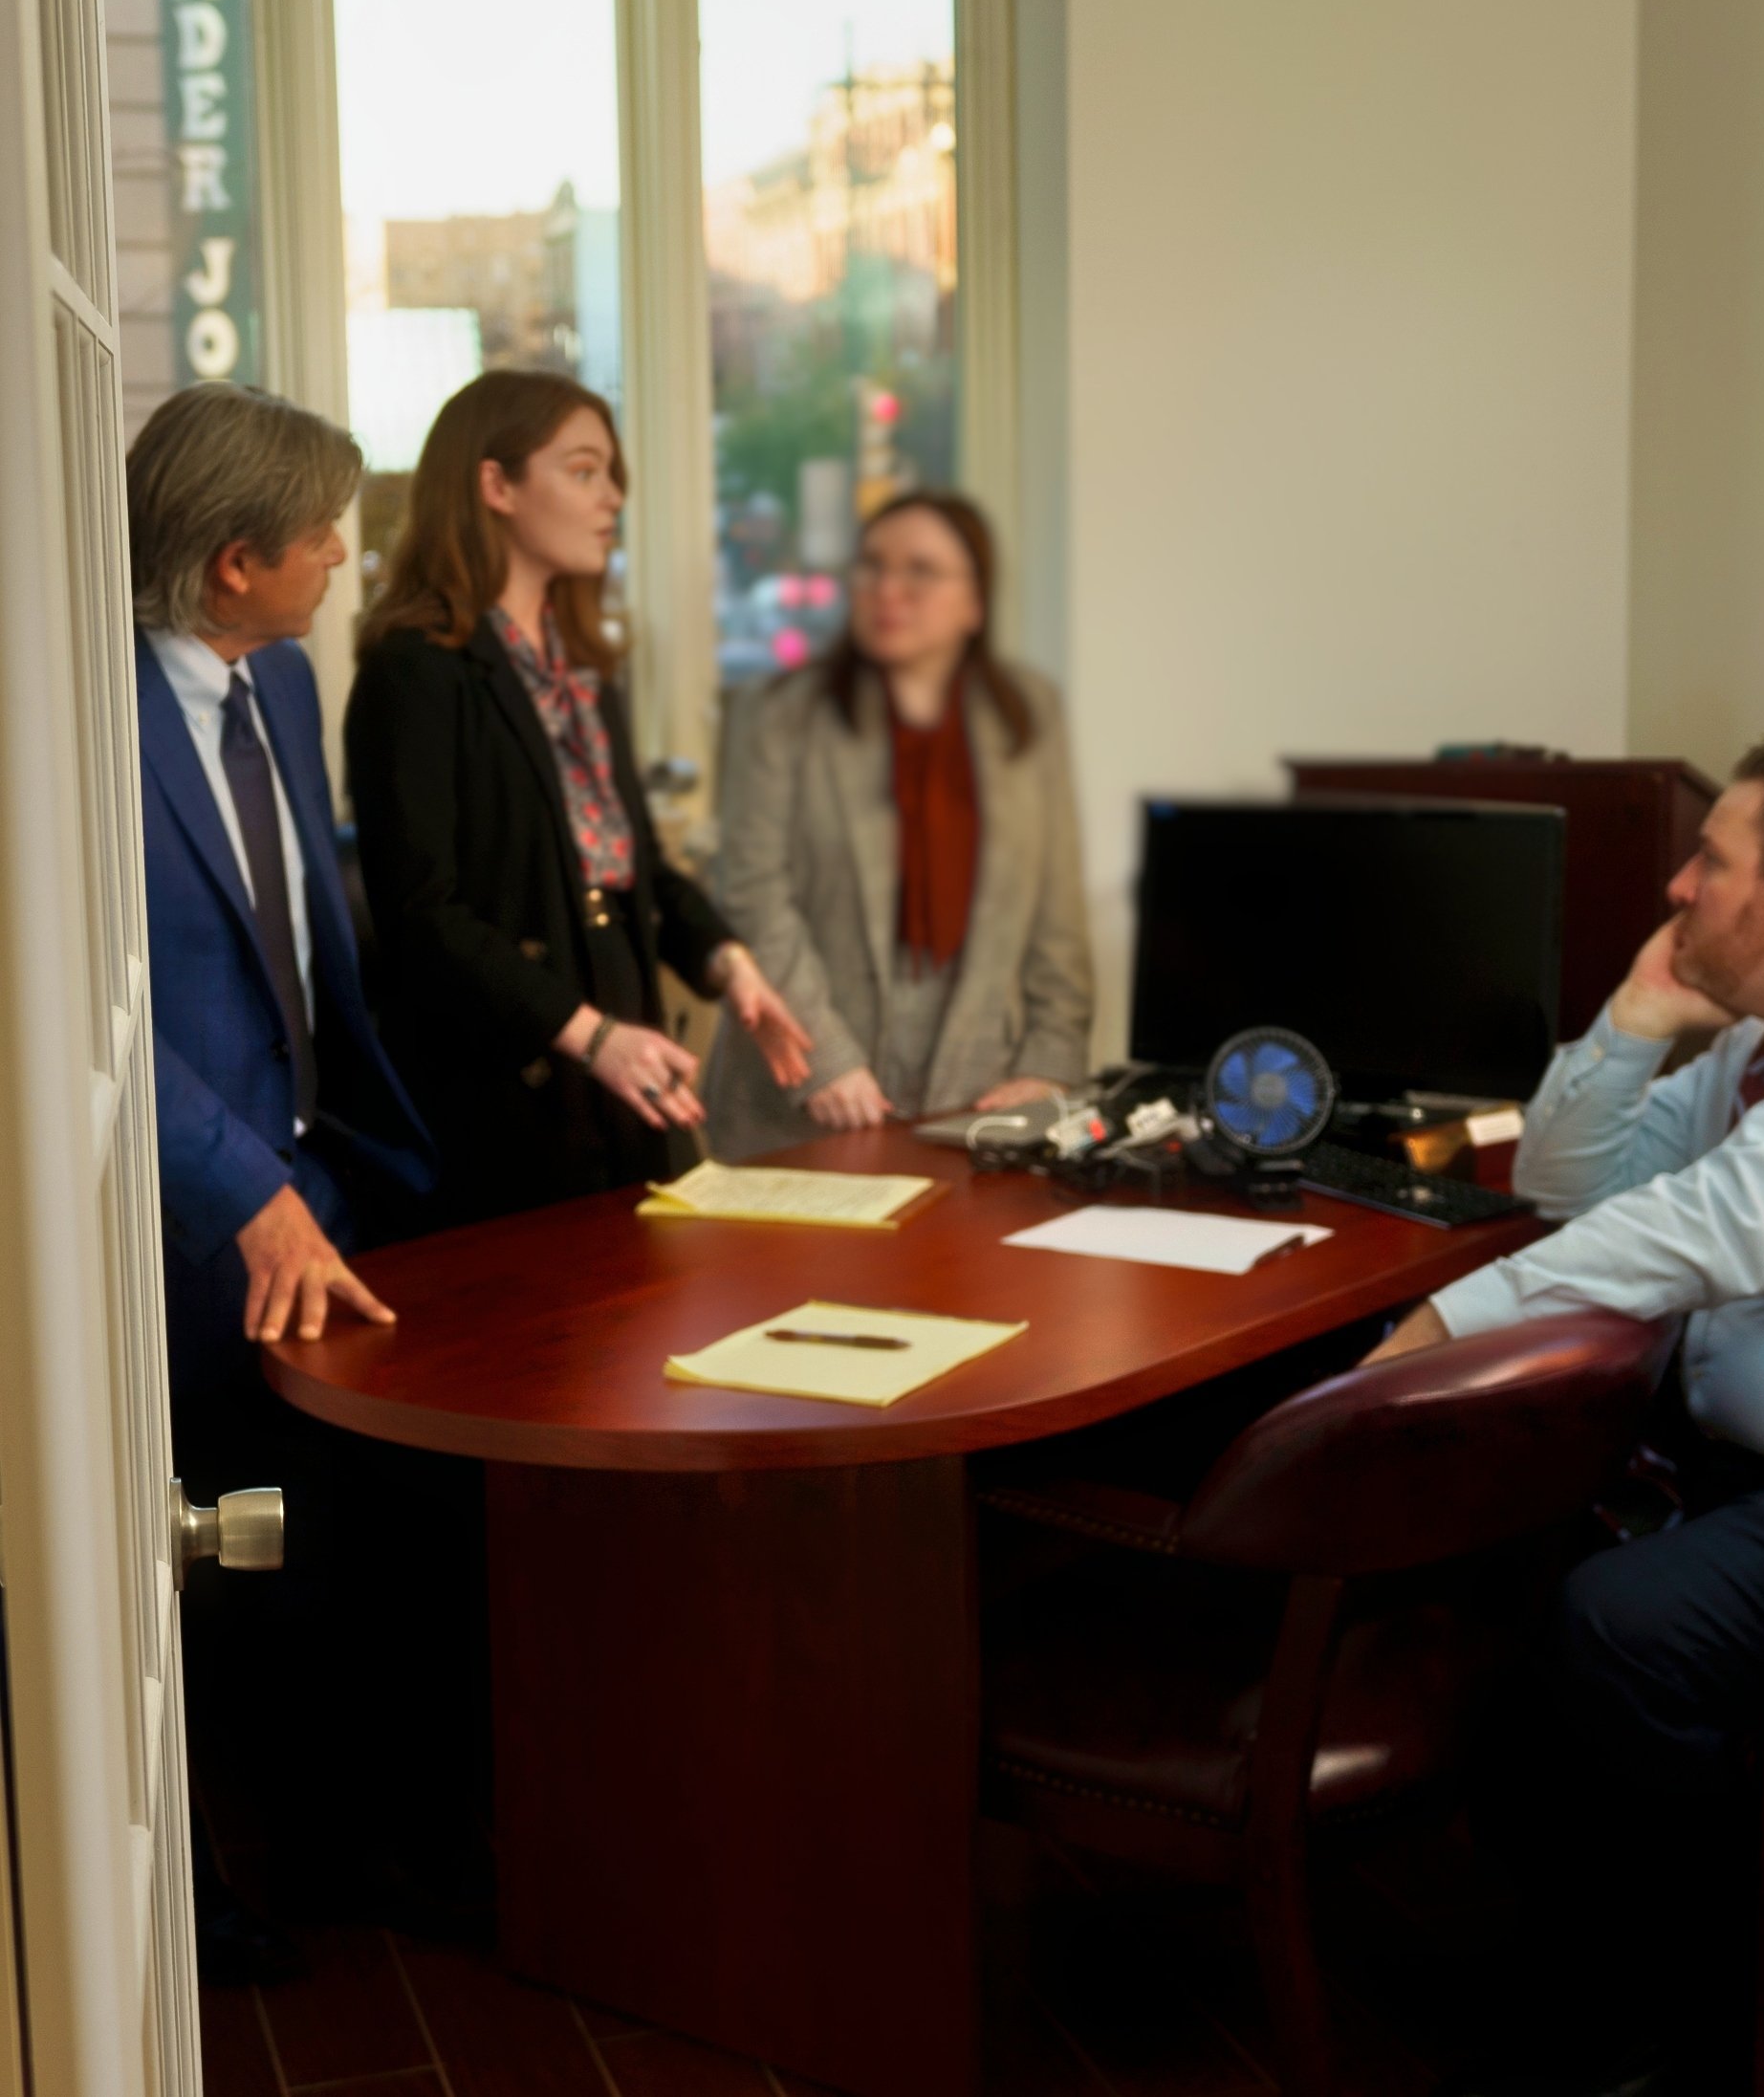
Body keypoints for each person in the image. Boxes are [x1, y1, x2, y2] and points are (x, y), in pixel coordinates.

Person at [1373, 734, 1764, 2097]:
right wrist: (1639, 1016)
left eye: (1713, 860)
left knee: (1615, 1628)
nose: (1677, 879)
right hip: (1704, 1461)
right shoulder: (1759, 1043)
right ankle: (1563, 1973)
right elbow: (1567, 1183)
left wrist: (1445, 1329)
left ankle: (1698, 2011)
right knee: (1511, 1579)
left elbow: (1719, 1222)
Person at [131, 382, 446, 1972]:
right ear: (233, 557)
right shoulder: (84, 716)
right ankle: (186, 1915)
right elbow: (90, 1003)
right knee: (182, 1589)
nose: (346, 552)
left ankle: (332, 1855)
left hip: (327, 1181)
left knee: (327, 1545)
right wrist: (237, 1182)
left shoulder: (292, 677)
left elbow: (309, 938)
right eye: (322, 529)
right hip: (183, 1218)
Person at [345, 369, 811, 1225]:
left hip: (626, 1093)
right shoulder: (413, 670)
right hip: (505, 1116)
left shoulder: (583, 668)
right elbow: (424, 917)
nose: (613, 499)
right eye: (584, 470)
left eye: (614, 475)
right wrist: (589, 1036)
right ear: (496, 485)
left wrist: (731, 965)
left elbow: (637, 871)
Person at [702, 488, 1093, 1162]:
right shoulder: (778, 714)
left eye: (921, 570)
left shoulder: (1028, 713)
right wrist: (824, 1060)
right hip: (800, 1100)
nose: (889, 588)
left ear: (975, 601)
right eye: (873, 565)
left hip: (978, 1094)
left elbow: (1058, 910)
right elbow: (753, 895)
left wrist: (1050, 1064)